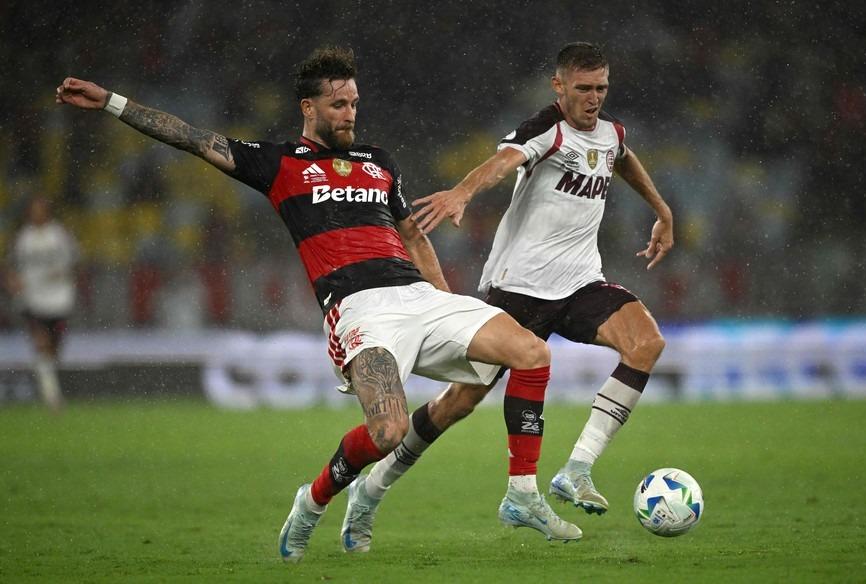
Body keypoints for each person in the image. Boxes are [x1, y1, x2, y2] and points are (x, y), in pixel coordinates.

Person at [55, 46, 581, 564]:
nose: (350, 113)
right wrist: (111, 103)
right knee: (387, 432)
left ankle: (520, 493)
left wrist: (444, 304)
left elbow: (415, 239)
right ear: (309, 108)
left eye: (354, 103)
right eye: (338, 105)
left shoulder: (379, 163)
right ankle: (312, 501)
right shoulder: (278, 163)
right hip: (359, 309)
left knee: (531, 352)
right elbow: (191, 138)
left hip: (420, 296)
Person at [341, 42, 673, 550]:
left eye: (601, 88)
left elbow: (621, 157)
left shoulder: (610, 133)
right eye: (583, 88)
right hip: (516, 289)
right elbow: (503, 161)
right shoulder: (548, 128)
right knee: (459, 402)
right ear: (559, 87)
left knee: (646, 343)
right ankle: (370, 490)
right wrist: (462, 193)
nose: (593, 98)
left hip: (581, 282)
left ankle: (576, 469)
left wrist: (661, 209)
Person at [7, 197, 80, 411]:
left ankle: (48, 377)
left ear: (48, 212)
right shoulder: (22, 238)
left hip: (59, 298)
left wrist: (64, 272)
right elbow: (10, 265)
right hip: (33, 299)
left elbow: (76, 262)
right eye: (33, 210)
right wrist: (13, 281)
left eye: (41, 209)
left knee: (55, 349)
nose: (37, 213)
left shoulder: (60, 235)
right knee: (41, 343)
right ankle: (52, 396)